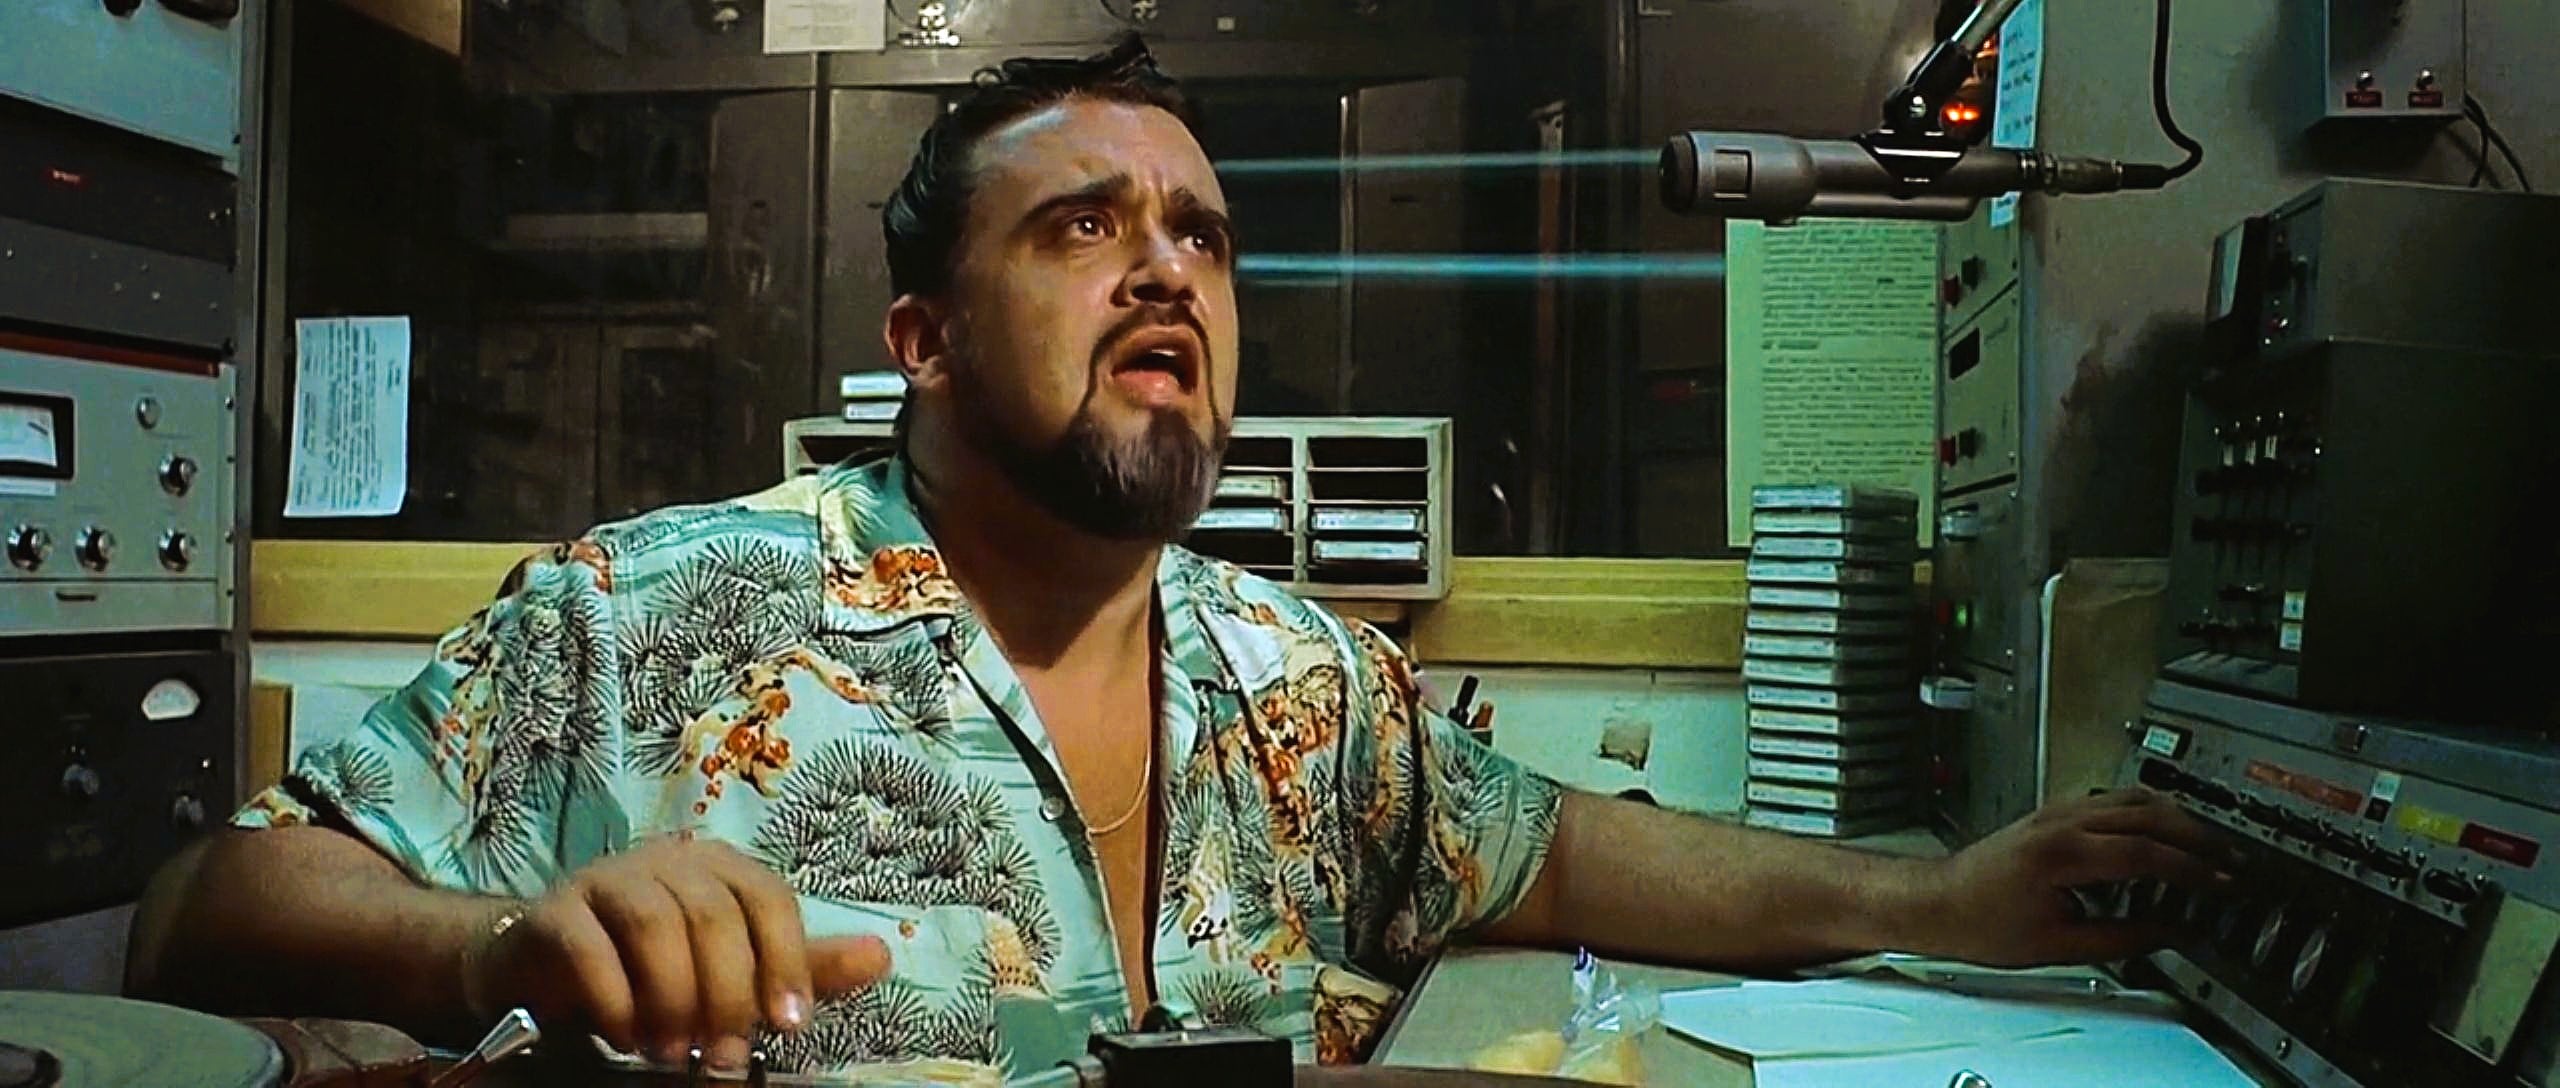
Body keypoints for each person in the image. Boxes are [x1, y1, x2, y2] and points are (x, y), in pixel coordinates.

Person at [127, 33, 2233, 1081]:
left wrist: (1938, 897)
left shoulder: (1301, 682)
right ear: (920, 341)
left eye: (1202, 239)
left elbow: (1562, 853)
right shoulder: (653, 613)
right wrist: (495, 950)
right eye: (1083, 229)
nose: (1166, 271)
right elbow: (201, 915)